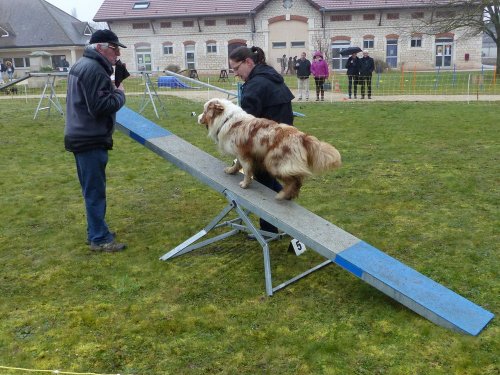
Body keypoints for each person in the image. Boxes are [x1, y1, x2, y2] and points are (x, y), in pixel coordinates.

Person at [64, 29, 127, 252]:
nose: (117, 53)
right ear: (100, 47)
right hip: (89, 138)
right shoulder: (94, 70)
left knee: (91, 189)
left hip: (80, 135)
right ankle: (100, 239)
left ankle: (96, 231)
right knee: (94, 191)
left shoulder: (82, 65)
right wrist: (119, 93)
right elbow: (100, 107)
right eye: (114, 48)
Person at [229, 46, 294, 235]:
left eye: (236, 69)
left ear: (248, 62)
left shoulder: (256, 85)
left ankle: (270, 228)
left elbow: (245, 123)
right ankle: (285, 207)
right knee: (268, 179)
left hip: (267, 142)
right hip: (283, 136)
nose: (236, 74)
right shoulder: (270, 75)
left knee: (263, 183)